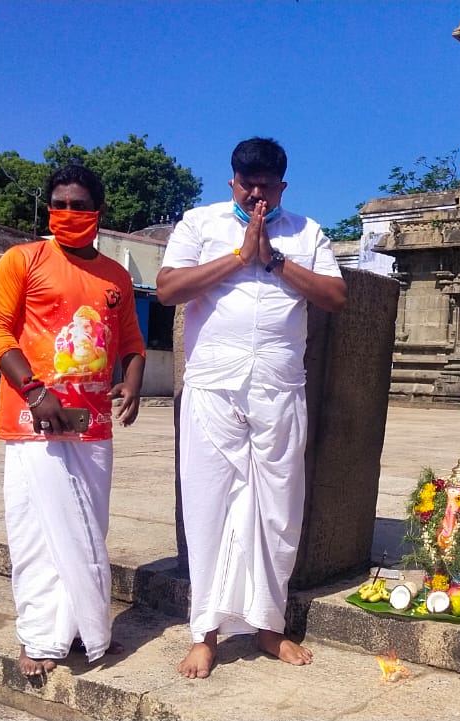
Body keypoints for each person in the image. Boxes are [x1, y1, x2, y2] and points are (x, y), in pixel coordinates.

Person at [156, 137, 347, 680]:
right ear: (232, 182)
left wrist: (272, 260)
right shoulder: (199, 223)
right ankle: (205, 634)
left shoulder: (306, 232)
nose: (256, 194)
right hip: (214, 385)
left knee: (278, 510)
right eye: (247, 184)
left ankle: (269, 627)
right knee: (208, 505)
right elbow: (168, 288)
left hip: (279, 386)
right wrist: (239, 256)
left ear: (282, 185)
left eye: (266, 186)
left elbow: (334, 297)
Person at [0, 164, 147, 677]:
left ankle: (83, 632)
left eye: (79, 205)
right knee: (38, 531)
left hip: (93, 424)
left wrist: (133, 381)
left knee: (86, 532)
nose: (69, 214)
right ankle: (38, 638)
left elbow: (132, 345)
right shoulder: (23, 260)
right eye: (60, 204)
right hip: (36, 423)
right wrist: (34, 391)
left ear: (97, 211)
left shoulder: (116, 277)